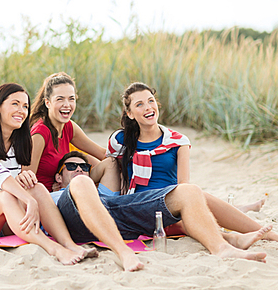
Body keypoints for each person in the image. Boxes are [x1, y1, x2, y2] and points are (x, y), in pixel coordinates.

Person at [106, 82, 278, 242]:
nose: (148, 107)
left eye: (151, 101)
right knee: (191, 214)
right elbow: (107, 167)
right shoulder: (120, 141)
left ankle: (267, 233)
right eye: (139, 104)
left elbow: (184, 185)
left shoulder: (178, 141)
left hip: (170, 205)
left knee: (194, 199)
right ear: (129, 114)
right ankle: (236, 231)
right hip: (138, 206)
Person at [0, 83, 97, 265]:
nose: (21, 110)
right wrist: (27, 200)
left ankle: (70, 245)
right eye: (15, 104)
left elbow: (14, 182)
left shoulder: (16, 144)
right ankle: (55, 249)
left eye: (25, 106)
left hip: (2, 221)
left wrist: (23, 182)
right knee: (7, 197)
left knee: (37, 188)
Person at [51, 150, 269, 270]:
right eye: (71, 167)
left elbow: (110, 163)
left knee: (188, 191)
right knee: (80, 184)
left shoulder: (101, 189)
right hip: (74, 217)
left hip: (111, 210)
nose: (79, 169)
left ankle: (222, 247)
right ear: (58, 178)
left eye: (84, 167)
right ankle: (123, 253)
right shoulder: (50, 194)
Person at [24, 72, 117, 192]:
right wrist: (52, 191)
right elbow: (26, 180)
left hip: (68, 189)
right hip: (49, 197)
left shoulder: (68, 127)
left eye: (71, 99)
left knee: (111, 163)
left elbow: (102, 153)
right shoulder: (40, 133)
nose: (67, 105)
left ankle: (112, 201)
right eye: (60, 99)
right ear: (48, 103)